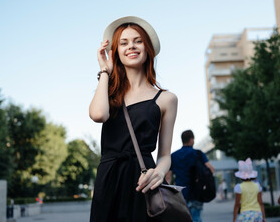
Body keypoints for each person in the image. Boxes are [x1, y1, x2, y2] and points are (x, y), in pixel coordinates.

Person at [89, 16, 178, 222]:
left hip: (143, 179)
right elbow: (98, 114)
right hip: (108, 179)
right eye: (124, 42)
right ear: (116, 52)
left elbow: (165, 154)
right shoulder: (108, 93)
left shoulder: (166, 99)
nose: (132, 46)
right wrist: (104, 70)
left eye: (138, 41)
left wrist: (159, 171)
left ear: (147, 48)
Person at [166, 129, 215, 222]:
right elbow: (211, 170)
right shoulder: (198, 153)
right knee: (196, 217)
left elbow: (168, 177)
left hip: (180, 194)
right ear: (191, 140)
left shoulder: (173, 156)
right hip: (196, 192)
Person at [233, 158, 266, 222]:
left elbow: (237, 204)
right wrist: (264, 217)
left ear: (240, 176)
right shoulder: (257, 186)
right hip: (257, 214)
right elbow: (261, 203)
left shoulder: (239, 187)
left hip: (245, 215)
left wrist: (234, 219)